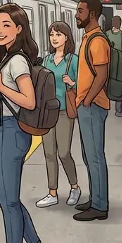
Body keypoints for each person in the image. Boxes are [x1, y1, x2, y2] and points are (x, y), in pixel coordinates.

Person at [0, 3, 53, 243]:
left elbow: (29, 101)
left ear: (19, 29)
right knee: (2, 197)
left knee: (9, 201)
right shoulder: (6, 58)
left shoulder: (18, 61)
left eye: (6, 25)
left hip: (9, 131)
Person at [36, 21, 82, 209]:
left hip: (64, 112)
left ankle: (74, 187)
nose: (54, 38)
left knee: (63, 152)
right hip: (48, 112)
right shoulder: (46, 60)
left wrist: (72, 83)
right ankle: (52, 192)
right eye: (52, 35)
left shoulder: (73, 60)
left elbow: (83, 85)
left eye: (58, 35)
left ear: (67, 37)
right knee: (49, 153)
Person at [73, 0, 110, 221]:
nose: (77, 14)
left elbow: (102, 75)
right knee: (89, 156)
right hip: (86, 106)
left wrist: (86, 101)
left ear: (92, 14)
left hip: (93, 107)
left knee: (95, 157)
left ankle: (100, 206)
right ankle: (95, 197)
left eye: (80, 11)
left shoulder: (97, 41)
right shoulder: (87, 38)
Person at [107, 16, 122, 118]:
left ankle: (118, 109)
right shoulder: (108, 34)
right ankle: (111, 107)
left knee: (119, 84)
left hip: (118, 63)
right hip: (110, 63)